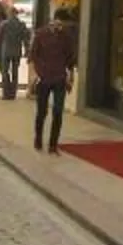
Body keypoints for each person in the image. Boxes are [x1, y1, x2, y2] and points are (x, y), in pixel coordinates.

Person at [28, 9, 77, 153]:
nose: (61, 26)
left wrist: (71, 77)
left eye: (64, 25)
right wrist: (33, 77)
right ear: (55, 19)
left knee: (58, 111)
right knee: (42, 111)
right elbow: (32, 56)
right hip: (43, 78)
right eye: (60, 23)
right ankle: (38, 138)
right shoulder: (40, 34)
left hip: (60, 78)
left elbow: (70, 59)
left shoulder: (66, 37)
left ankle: (53, 144)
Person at [0, 5, 31, 99]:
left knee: (5, 72)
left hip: (5, 51)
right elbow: (26, 39)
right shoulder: (22, 24)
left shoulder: (4, 24)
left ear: (9, 13)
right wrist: (26, 50)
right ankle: (13, 93)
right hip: (17, 51)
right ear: (17, 14)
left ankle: (6, 94)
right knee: (15, 72)